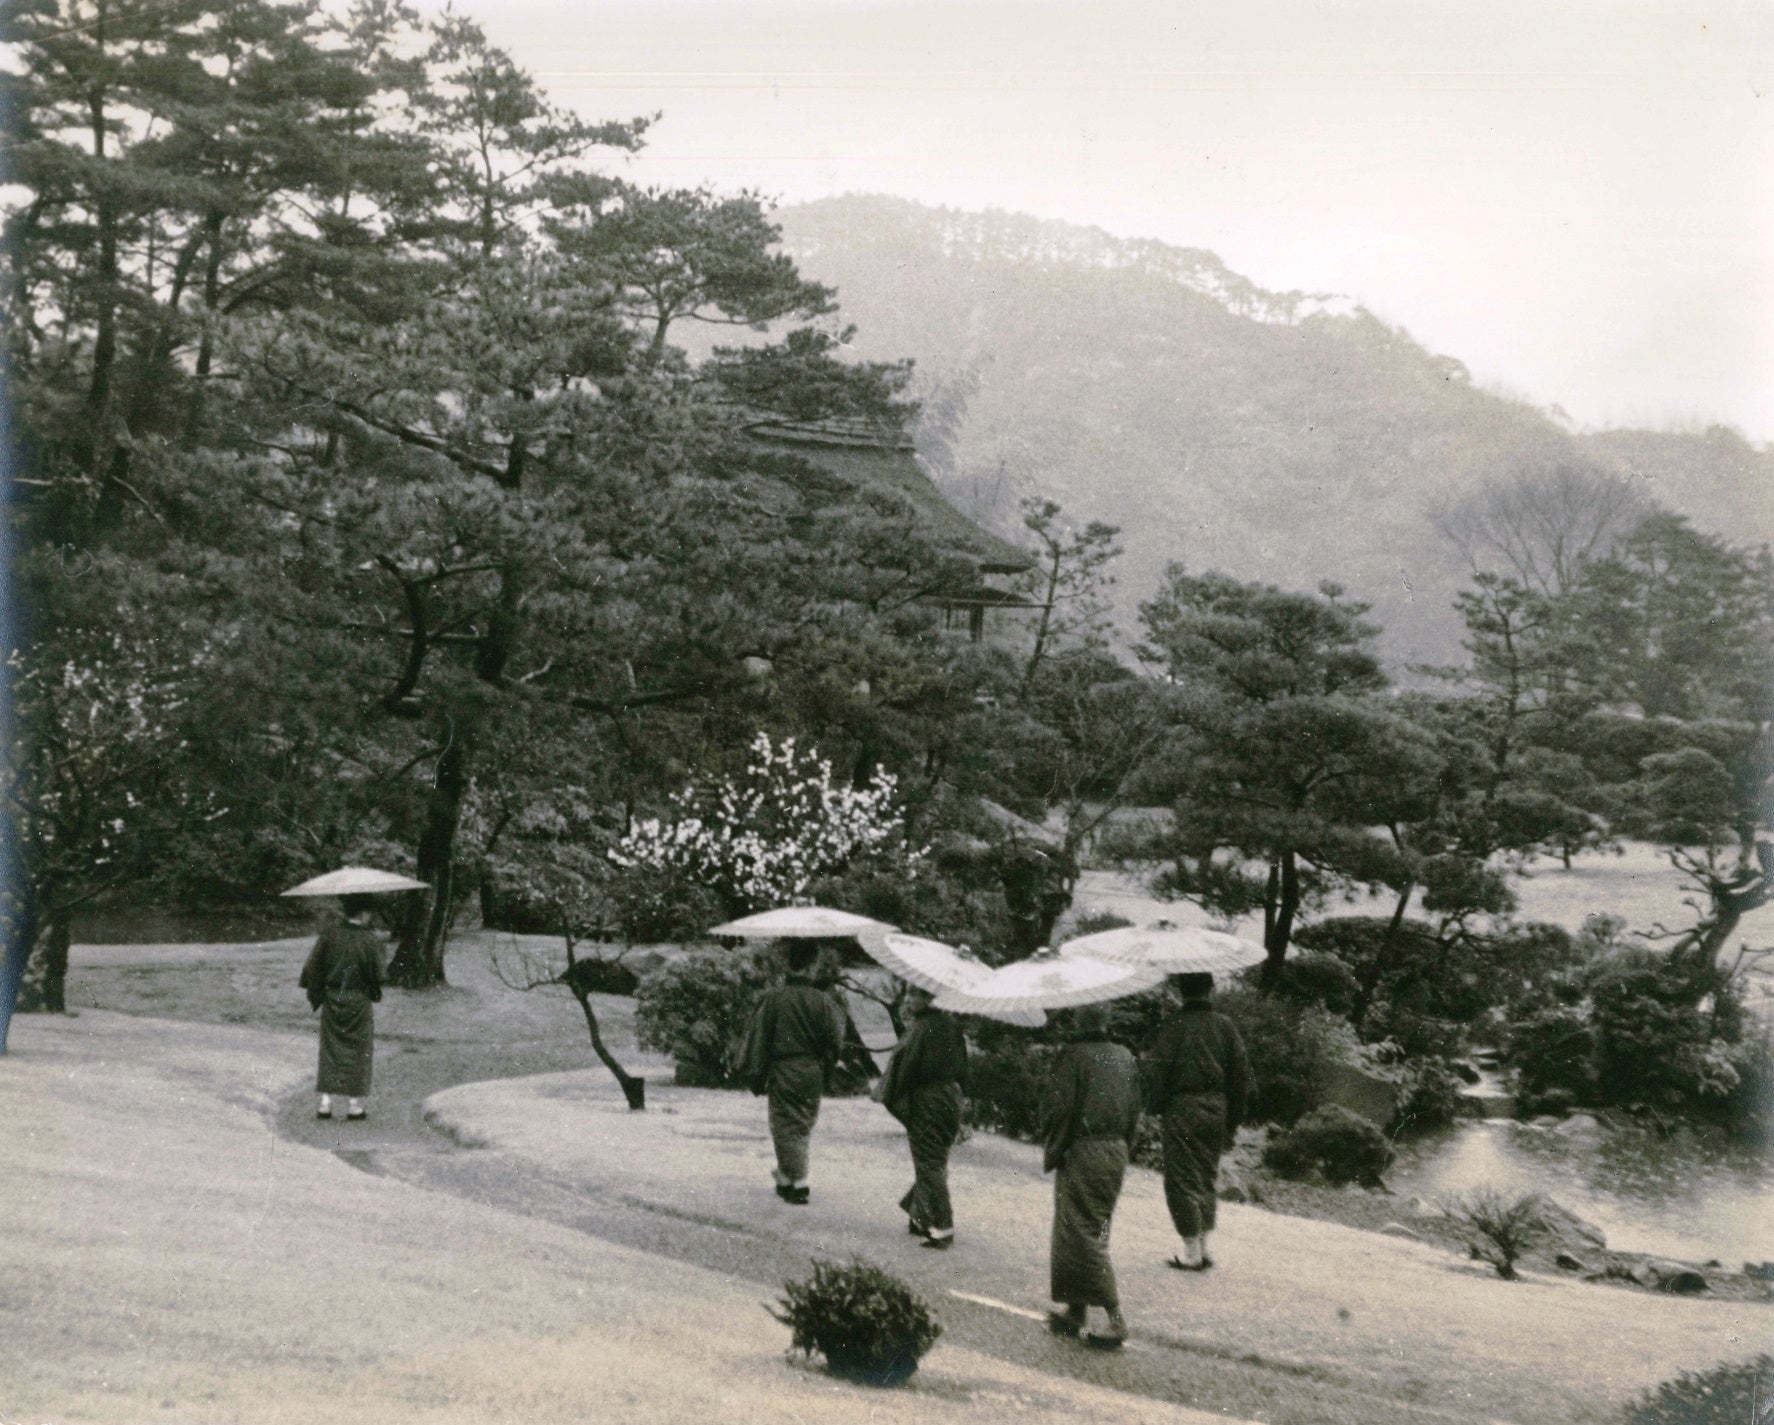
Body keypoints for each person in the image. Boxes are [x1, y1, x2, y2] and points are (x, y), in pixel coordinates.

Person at [1042, 1003, 1140, 1349]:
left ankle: (1115, 1318)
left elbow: (1061, 1108)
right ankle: (1075, 1308)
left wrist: (1056, 1149)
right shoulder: (1125, 1055)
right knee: (1092, 1225)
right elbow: (1134, 1111)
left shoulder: (1075, 1056)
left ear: (1079, 1021)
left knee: (1080, 1230)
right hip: (1115, 1149)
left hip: (1085, 1149)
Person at [1142, 971, 1250, 1271]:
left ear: (1181, 990)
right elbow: (1240, 1077)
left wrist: (1155, 1106)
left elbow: (1155, 1073)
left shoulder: (1173, 1026)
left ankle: (1191, 1250)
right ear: (1211, 989)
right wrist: (1233, 1120)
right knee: (1205, 1172)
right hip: (1216, 1107)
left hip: (1182, 1106)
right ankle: (1202, 1245)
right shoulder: (1225, 1027)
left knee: (1181, 1176)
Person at [742, 939, 842, 1204]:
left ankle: (799, 1181)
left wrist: (756, 1074)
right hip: (812, 1070)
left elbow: (760, 1039)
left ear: (788, 964)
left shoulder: (774, 999)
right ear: (812, 967)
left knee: (784, 1125)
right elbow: (835, 1041)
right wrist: (827, 1068)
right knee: (801, 1124)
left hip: (783, 1069)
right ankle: (786, 1177)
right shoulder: (823, 1001)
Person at [880, 986, 970, 1249]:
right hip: (951, 1096)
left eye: (914, 995)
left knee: (928, 1160)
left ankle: (942, 1227)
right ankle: (919, 1213)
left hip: (928, 1098)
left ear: (929, 998)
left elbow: (905, 1066)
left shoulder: (921, 1027)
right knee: (936, 1156)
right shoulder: (952, 1024)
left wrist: (890, 1092)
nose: (908, 999)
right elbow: (965, 1067)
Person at [298, 893, 385, 1120]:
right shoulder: (371, 940)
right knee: (359, 1051)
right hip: (358, 1000)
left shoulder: (329, 935)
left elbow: (313, 968)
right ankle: (355, 1105)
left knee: (330, 1049)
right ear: (365, 913)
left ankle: (325, 1103)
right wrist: (373, 991)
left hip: (333, 998)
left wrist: (317, 995)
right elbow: (379, 974)